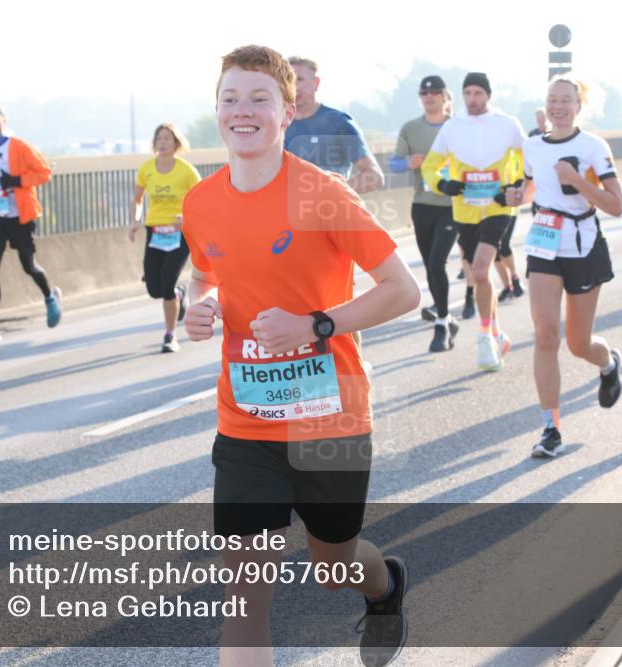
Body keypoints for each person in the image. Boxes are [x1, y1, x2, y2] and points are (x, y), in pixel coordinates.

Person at [181, 45, 420, 667]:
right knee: (245, 597)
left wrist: (316, 324)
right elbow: (205, 273)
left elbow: (402, 290)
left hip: (330, 421)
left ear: (288, 112)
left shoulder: (323, 195)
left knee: (335, 566)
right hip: (245, 422)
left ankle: (384, 585)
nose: (243, 110)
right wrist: (198, 306)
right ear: (216, 111)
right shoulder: (201, 202)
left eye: (259, 98)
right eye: (230, 98)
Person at [512, 76, 622, 458]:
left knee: (579, 344)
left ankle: (607, 363)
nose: (558, 106)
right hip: (545, 242)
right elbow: (530, 189)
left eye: (566, 100)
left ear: (579, 106)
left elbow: (615, 205)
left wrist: (577, 180)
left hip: (584, 244)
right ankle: (550, 428)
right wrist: (515, 195)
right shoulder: (531, 146)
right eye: (552, 99)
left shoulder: (593, 146)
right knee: (545, 334)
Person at [422, 72, 526, 371]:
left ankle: (483, 338)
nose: (472, 99)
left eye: (478, 93)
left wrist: (515, 185)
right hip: (464, 212)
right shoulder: (453, 127)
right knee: (480, 276)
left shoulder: (507, 124)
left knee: (480, 269)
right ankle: (496, 333)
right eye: (467, 93)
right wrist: (444, 185)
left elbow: (527, 159)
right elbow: (431, 167)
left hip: (497, 208)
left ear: (488, 95)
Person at [0, 106, 59, 343]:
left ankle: (50, 296)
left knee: (29, 265)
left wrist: (18, 180)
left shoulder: (19, 146)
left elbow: (44, 172)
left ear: (4, 121)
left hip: (19, 215)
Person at [390, 75, 460, 352]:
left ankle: (442, 322)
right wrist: (408, 162)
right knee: (431, 267)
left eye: (434, 92)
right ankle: (447, 317)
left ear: (444, 96)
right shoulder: (411, 128)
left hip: (452, 207)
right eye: (424, 92)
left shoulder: (457, 128)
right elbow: (394, 165)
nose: (429, 96)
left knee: (436, 264)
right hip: (422, 205)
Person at [127, 123, 201, 352]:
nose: (162, 142)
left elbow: (202, 200)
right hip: (155, 232)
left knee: (167, 284)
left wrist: (186, 216)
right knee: (154, 289)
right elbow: (138, 199)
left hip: (180, 233)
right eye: (159, 138)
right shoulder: (146, 169)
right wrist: (134, 221)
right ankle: (180, 293)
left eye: (167, 138)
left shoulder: (186, 170)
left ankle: (170, 336)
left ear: (176, 143)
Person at [284, 56, 384, 194]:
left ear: (316, 83)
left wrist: (332, 193)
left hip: (331, 211)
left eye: (299, 80)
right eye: (288, 81)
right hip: (287, 212)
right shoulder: (276, 125)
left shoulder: (340, 123)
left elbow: (374, 176)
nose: (294, 87)